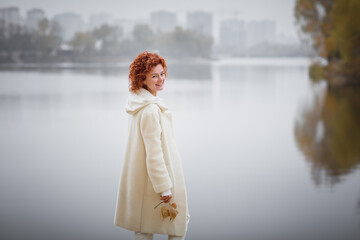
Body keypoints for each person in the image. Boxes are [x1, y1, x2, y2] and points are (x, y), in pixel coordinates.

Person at [114, 51, 190, 240]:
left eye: (162, 73)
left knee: (144, 227)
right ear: (143, 78)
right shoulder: (149, 110)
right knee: (175, 227)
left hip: (144, 180)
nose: (160, 79)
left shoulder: (140, 104)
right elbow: (154, 153)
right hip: (158, 181)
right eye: (154, 76)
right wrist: (164, 187)